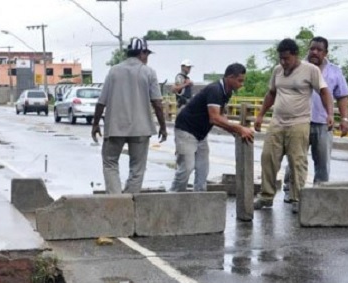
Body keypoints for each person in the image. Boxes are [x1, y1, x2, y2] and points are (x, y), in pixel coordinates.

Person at [253, 38, 333, 213]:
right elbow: (271, 93)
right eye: (280, 59)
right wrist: (260, 115)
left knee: (297, 161)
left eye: (286, 58)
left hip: (299, 122)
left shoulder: (310, 70)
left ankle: (297, 198)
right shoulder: (277, 70)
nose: (283, 62)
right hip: (277, 122)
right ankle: (266, 196)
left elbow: (324, 92)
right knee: (268, 157)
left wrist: (330, 114)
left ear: (295, 56)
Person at [91, 37, 167, 194]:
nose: (147, 58)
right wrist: (163, 127)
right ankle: (130, 201)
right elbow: (158, 103)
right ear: (142, 53)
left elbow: (101, 102)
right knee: (137, 169)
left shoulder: (113, 71)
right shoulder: (149, 72)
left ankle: (116, 201)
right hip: (141, 128)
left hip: (115, 127)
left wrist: (95, 124)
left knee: (110, 163)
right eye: (147, 54)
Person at [282, 36, 348, 201]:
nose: (315, 52)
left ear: (325, 53)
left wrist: (344, 119)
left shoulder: (335, 71)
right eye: (312, 48)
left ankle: (320, 193)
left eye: (319, 50)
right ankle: (290, 191)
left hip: (323, 123)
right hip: (298, 122)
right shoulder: (296, 67)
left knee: (322, 162)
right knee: (296, 158)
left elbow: (342, 96)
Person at [169, 63, 255, 192]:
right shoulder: (215, 89)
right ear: (230, 77)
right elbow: (214, 118)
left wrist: (233, 131)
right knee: (186, 168)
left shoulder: (227, 92)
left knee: (203, 169)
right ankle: (173, 198)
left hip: (201, 134)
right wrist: (239, 128)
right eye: (239, 80)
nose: (241, 84)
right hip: (186, 130)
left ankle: (199, 200)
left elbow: (221, 115)